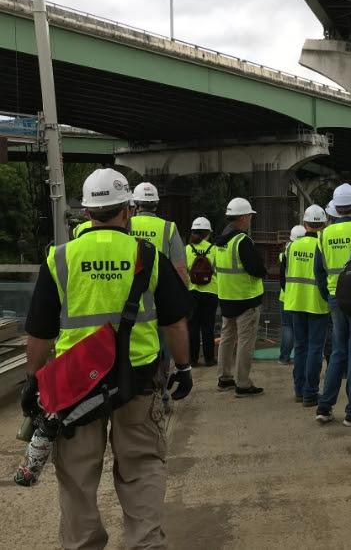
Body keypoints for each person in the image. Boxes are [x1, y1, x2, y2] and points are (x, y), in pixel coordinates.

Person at [22, 168, 193, 548]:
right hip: (139, 382)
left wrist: (33, 379)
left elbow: (40, 332)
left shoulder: (60, 258)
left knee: (78, 477)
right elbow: (176, 323)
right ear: (127, 211)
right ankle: (144, 543)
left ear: (86, 213)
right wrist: (183, 367)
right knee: (143, 466)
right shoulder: (146, 255)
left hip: (74, 387)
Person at [131, 182, 189, 412]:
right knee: (161, 352)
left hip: (129, 301)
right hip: (158, 301)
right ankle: (160, 397)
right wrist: (182, 303)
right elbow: (180, 268)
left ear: (134, 204)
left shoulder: (125, 224)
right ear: (156, 204)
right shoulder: (168, 228)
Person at [314, 183, 351, 426]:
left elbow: (318, 272)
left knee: (337, 351)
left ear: (335, 208)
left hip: (335, 297)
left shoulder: (324, 234)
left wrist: (328, 295)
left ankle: (325, 406)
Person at [214, 197, 267, 397]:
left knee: (227, 338)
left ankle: (224, 377)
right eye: (249, 217)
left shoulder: (220, 241)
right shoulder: (242, 241)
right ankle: (243, 384)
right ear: (244, 217)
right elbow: (257, 269)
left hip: (227, 298)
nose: (250, 220)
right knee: (245, 341)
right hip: (246, 299)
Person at [283, 206, 329, 406]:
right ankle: (310, 393)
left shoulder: (291, 247)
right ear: (324, 225)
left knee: (300, 347)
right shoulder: (322, 245)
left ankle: (299, 391)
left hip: (295, 301)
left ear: (305, 224)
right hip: (317, 302)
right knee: (315, 348)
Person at [186, 217, 218, 367]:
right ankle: (209, 359)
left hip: (191, 292)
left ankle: (192, 359)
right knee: (208, 327)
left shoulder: (187, 249)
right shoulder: (214, 249)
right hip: (210, 291)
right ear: (208, 234)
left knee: (192, 327)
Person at [278, 225, 306, 365]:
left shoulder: (285, 253)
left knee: (287, 326)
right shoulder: (310, 251)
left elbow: (281, 277)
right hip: (303, 296)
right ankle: (301, 357)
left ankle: (284, 357)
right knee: (302, 327)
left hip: (286, 296)